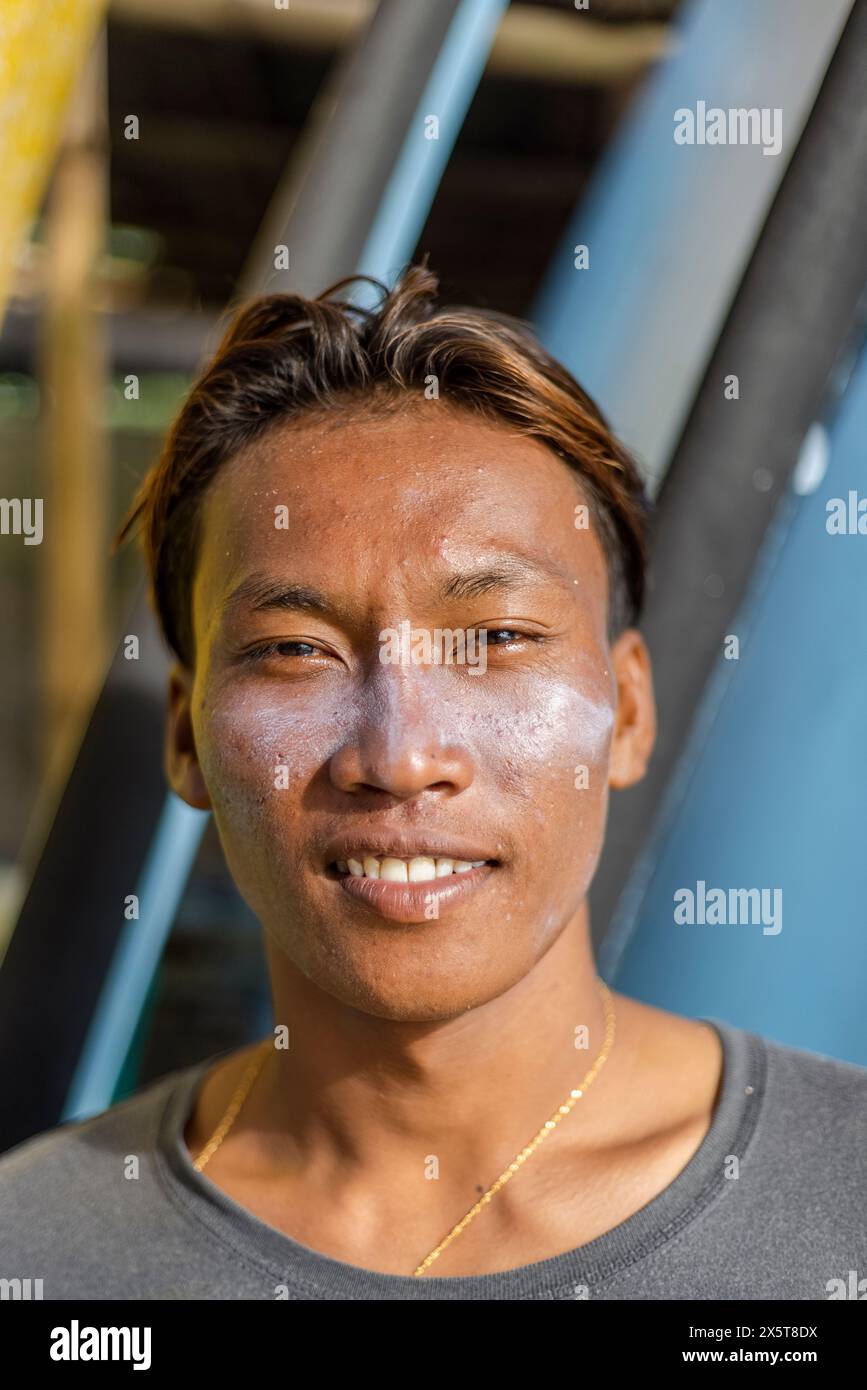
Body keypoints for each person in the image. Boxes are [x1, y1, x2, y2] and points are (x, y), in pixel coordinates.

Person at [1, 263, 864, 1301]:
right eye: (295, 649)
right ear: (186, 735)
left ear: (627, 713)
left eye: (498, 637)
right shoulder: (38, 1254)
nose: (402, 756)